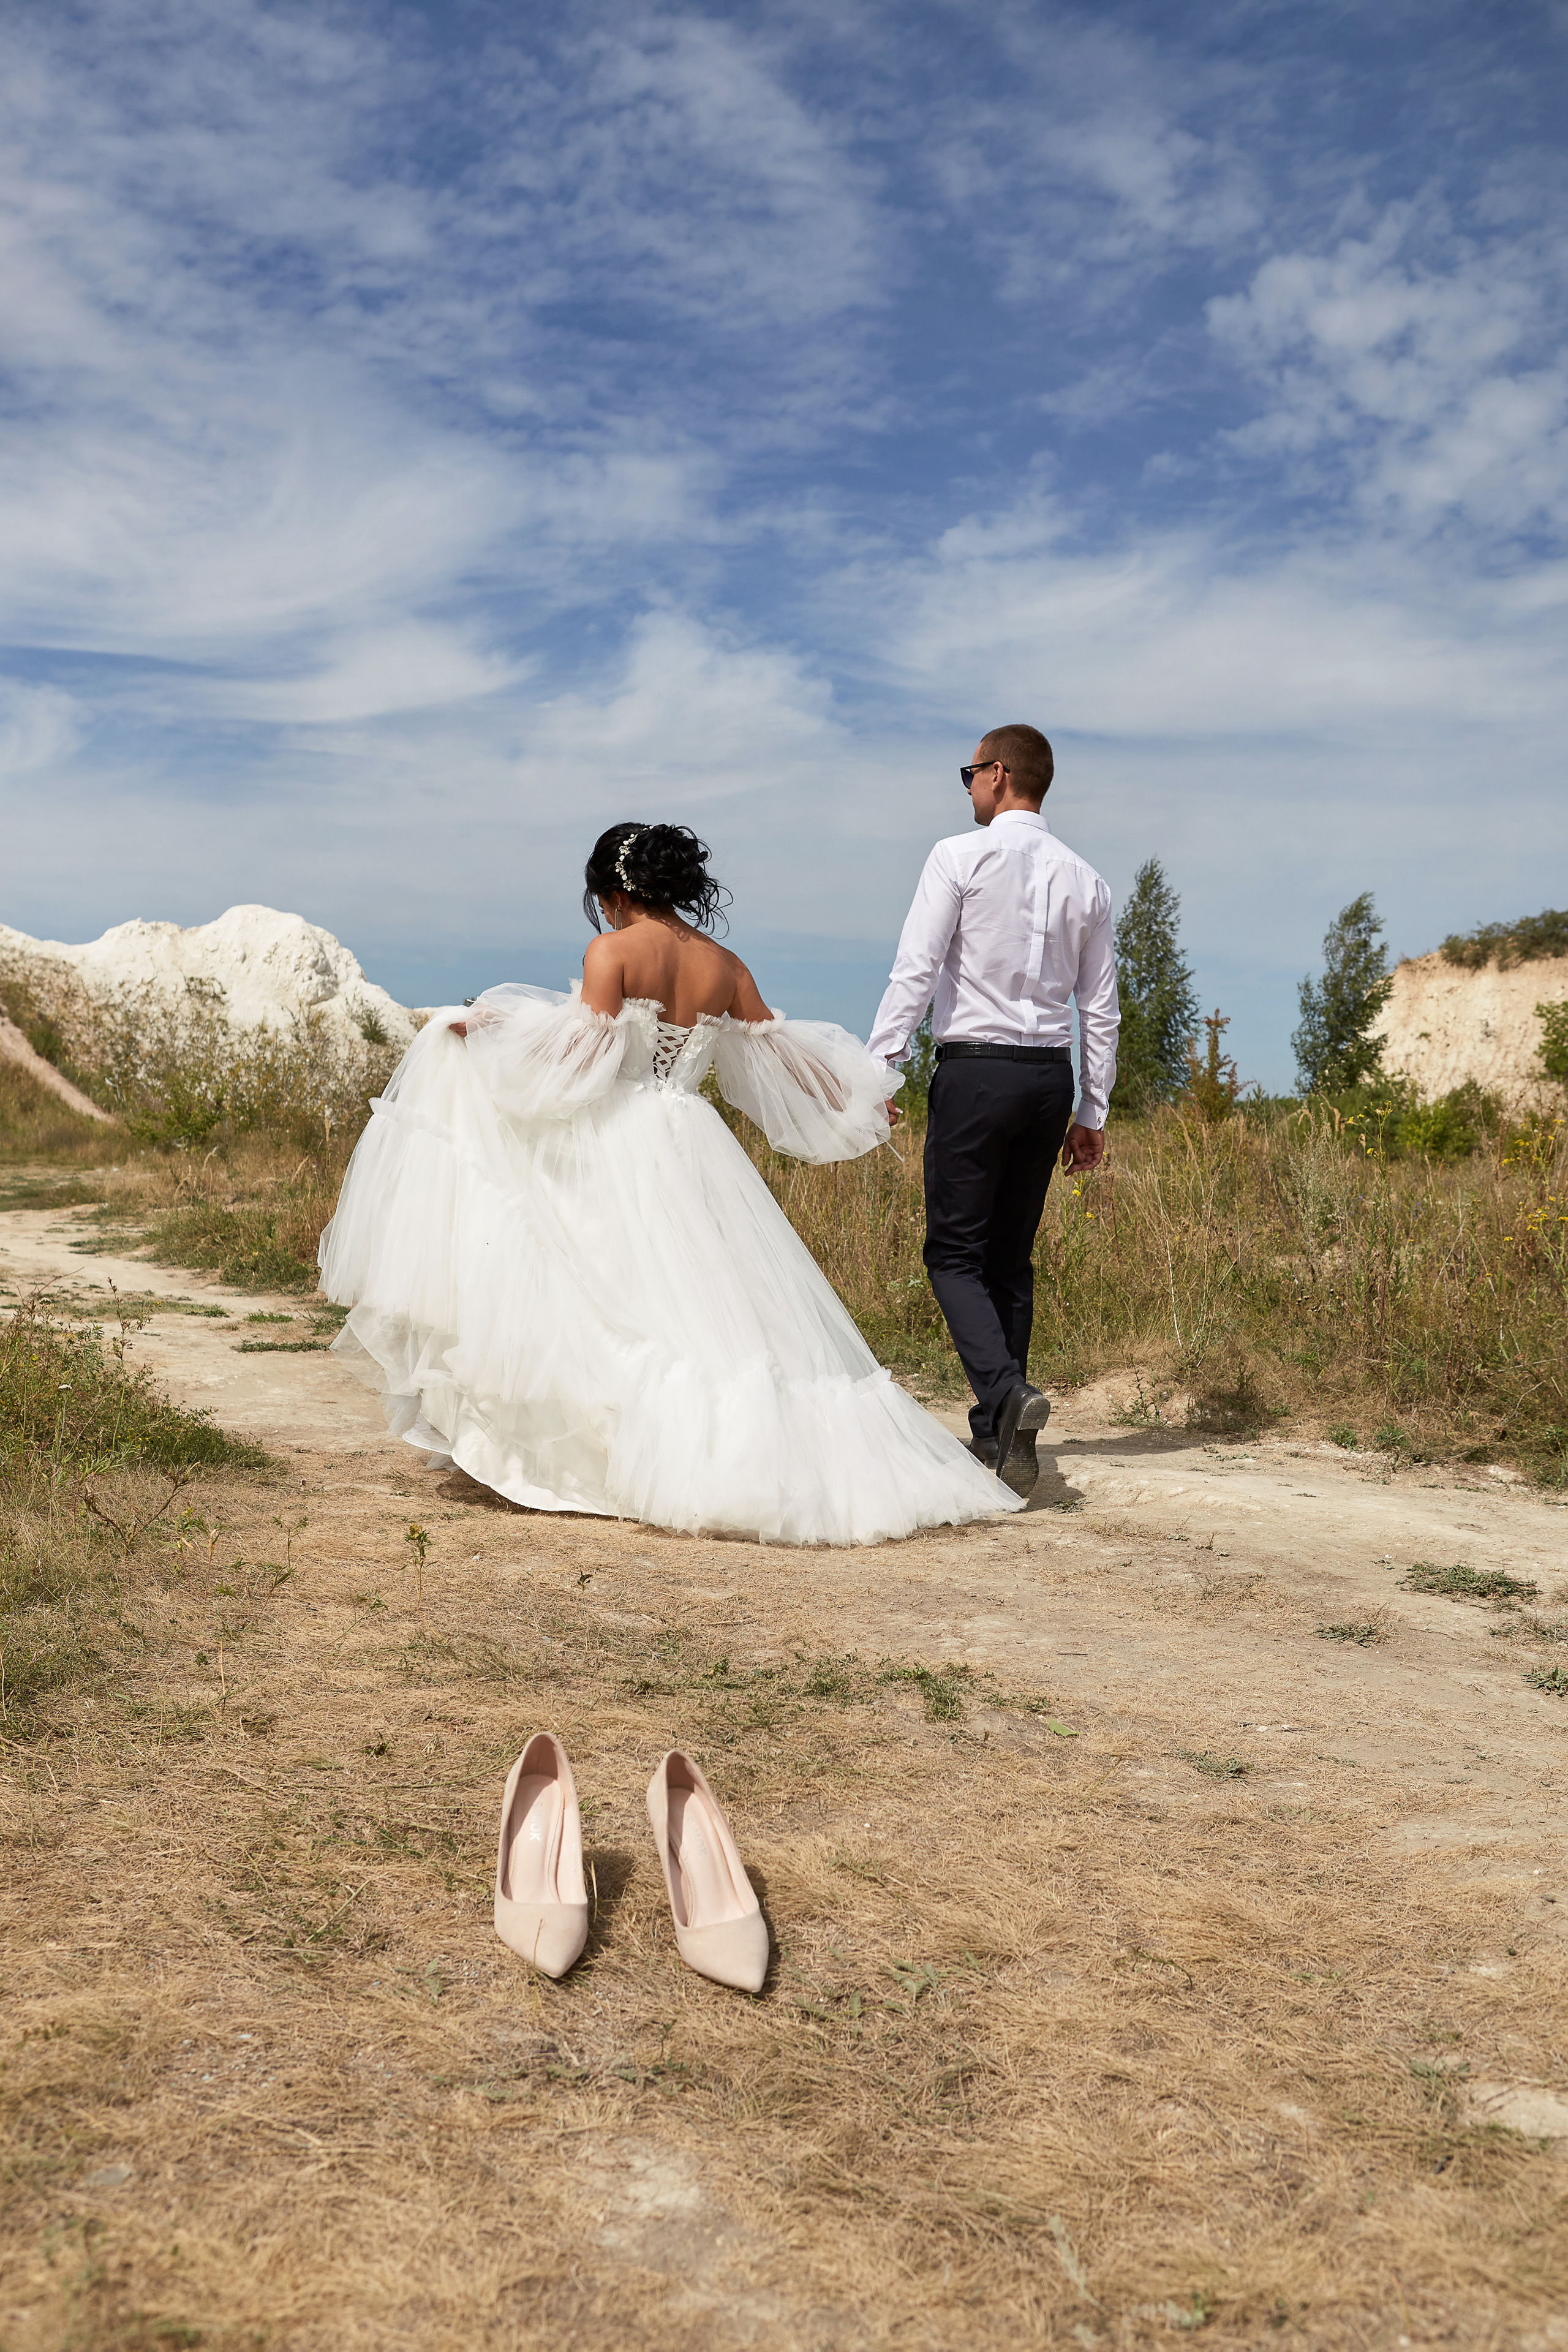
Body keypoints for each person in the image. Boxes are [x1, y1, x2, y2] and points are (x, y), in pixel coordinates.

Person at [318, 821, 1018, 1546]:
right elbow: (782, 1052)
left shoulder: (612, 951)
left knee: (608, 1293)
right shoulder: (727, 965)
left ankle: (619, 1455)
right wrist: (856, 1095)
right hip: (692, 1140)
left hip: (621, 1138)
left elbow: (577, 1057)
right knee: (715, 1306)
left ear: (616, 892)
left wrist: (488, 1031)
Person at [867, 726, 1118, 1498]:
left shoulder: (957, 857)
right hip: (1048, 1080)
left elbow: (916, 968)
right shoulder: (1088, 880)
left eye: (970, 771)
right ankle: (999, 1441)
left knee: (952, 1254)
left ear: (1000, 774)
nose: (967, 784)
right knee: (1009, 1257)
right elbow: (1099, 1007)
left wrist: (881, 1068)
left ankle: (1006, 1395)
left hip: (975, 1073)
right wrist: (1091, 1110)